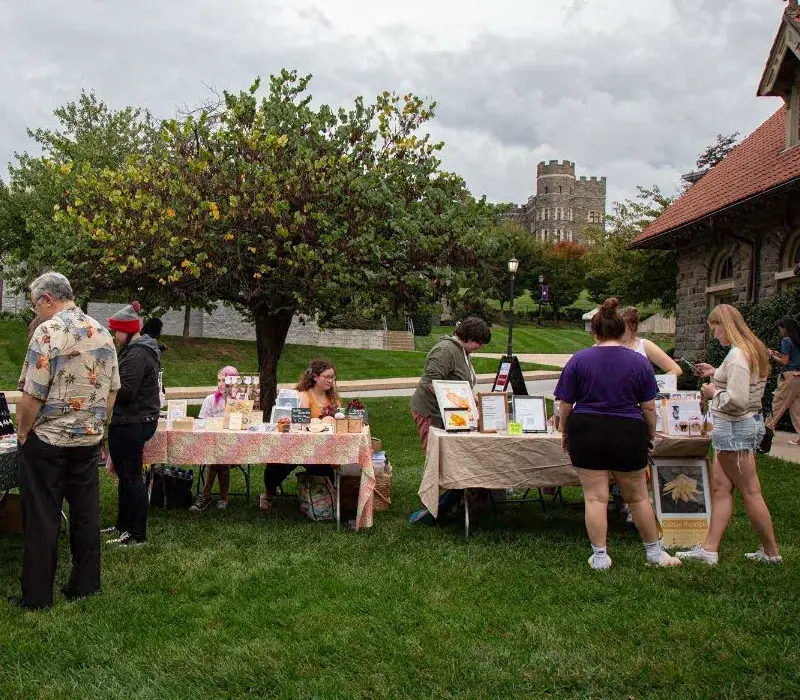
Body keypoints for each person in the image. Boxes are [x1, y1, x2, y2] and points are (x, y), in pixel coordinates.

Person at [11, 272, 120, 609]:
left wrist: (23, 431)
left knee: (43, 515)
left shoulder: (48, 331)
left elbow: (32, 394)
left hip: (49, 440)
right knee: (86, 514)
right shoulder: (102, 332)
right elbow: (112, 392)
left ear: (47, 299)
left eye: (35, 306)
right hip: (87, 440)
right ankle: (86, 584)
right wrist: (99, 427)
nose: (36, 314)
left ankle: (37, 595)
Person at [555, 298, 681, 570]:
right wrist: (649, 434)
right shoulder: (638, 362)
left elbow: (565, 404)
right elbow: (648, 407)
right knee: (637, 496)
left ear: (594, 332)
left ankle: (600, 556)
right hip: (627, 429)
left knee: (594, 497)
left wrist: (566, 431)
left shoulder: (579, 359)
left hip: (586, 428)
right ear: (621, 329)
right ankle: (654, 552)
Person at [676, 304, 781, 565]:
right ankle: (709, 549)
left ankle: (771, 553)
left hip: (735, 428)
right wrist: (715, 373)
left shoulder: (737, 356)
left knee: (750, 491)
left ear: (726, 325)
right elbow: (740, 382)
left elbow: (738, 400)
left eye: (715, 328)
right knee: (721, 488)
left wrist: (714, 393)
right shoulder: (751, 350)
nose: (715, 335)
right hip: (740, 428)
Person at [408, 317, 491, 523]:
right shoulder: (445, 350)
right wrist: (456, 399)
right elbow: (430, 382)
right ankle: (432, 503)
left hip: (450, 414)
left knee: (448, 456)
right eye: (478, 342)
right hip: (430, 411)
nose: (479, 346)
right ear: (468, 336)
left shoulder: (463, 351)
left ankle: (449, 500)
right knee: (436, 456)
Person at [613, 307, 683, 523]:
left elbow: (675, 369)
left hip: (643, 409)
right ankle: (621, 500)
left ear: (632, 327)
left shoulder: (644, 346)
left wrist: (651, 383)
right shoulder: (609, 346)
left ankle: (637, 504)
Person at [105, 301, 161, 547]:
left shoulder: (137, 353)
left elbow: (126, 391)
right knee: (125, 476)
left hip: (133, 422)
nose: (114, 337)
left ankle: (136, 534)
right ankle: (122, 526)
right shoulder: (135, 350)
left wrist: (104, 382)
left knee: (132, 478)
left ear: (127, 331)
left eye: (116, 332)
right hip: (129, 421)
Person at [260, 359, 340, 510]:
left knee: (326, 471)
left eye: (333, 377)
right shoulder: (304, 396)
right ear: (315, 377)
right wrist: (321, 421)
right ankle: (269, 493)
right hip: (299, 444)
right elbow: (301, 423)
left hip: (323, 447)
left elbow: (339, 419)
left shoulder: (332, 398)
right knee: (277, 465)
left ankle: (329, 497)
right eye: (327, 377)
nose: (331, 381)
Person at [190, 365, 239, 512]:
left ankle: (205, 496)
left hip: (236, 448)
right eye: (219, 380)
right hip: (212, 446)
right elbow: (201, 423)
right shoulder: (210, 400)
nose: (221, 384)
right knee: (217, 458)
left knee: (218, 458)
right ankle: (223, 498)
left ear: (233, 382)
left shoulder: (240, 401)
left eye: (224, 380)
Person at [761, 316, 800, 451]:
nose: (780, 332)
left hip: (789, 377)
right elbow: (790, 357)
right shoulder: (797, 341)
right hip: (798, 376)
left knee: (777, 405)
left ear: (785, 329)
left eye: (780, 329)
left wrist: (771, 356)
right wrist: (777, 353)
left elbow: (784, 362)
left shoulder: (786, 340)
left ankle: (764, 435)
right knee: (796, 409)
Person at [620, 307, 683, 376]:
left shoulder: (644, 345)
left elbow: (676, 370)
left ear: (633, 326)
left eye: (622, 325)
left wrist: (653, 383)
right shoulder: (610, 345)